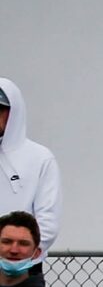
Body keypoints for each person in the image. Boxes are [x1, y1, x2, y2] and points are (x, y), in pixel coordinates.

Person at [0, 85, 60, 252]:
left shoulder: (39, 157)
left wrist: (27, 252)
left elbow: (48, 217)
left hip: (20, 267)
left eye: (1, 109)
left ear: (14, 113)